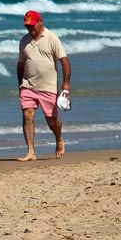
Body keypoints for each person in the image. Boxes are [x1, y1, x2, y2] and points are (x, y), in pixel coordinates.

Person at [17, 10, 71, 161]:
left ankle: (59, 138)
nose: (30, 29)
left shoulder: (52, 38)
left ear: (40, 22)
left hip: (48, 87)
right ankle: (31, 152)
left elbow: (64, 61)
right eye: (27, 27)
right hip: (28, 85)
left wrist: (66, 84)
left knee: (51, 120)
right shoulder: (23, 41)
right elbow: (21, 64)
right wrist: (20, 84)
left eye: (32, 26)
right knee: (27, 114)